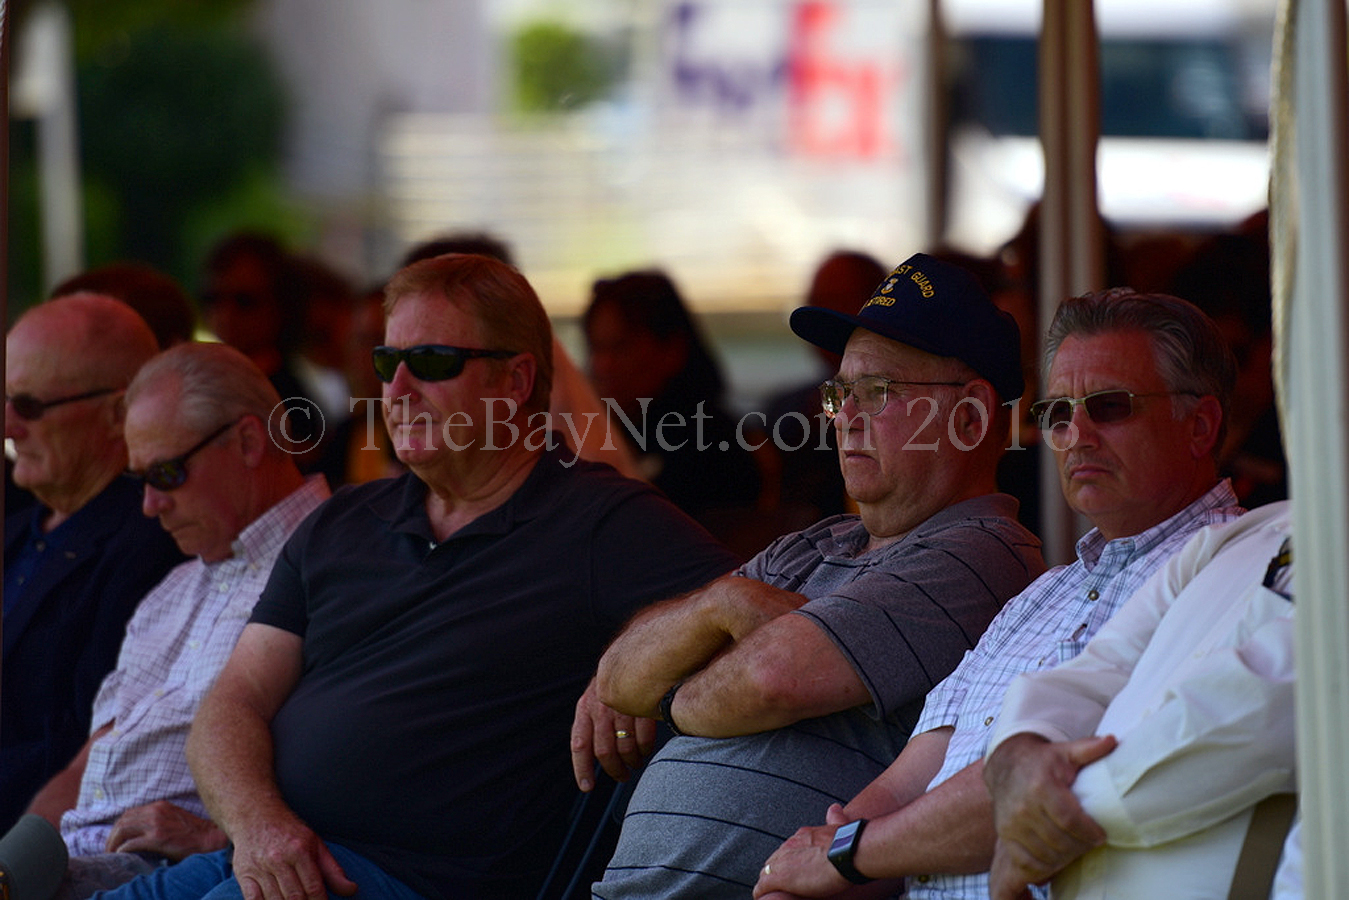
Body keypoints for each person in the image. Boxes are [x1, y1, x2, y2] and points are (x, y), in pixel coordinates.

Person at [96, 253, 740, 900]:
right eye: (387, 362)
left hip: (407, 883)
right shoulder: (340, 520)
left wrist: (634, 657)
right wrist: (256, 826)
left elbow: (758, 608)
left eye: (431, 363)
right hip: (269, 853)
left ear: (515, 380)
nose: (397, 391)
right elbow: (232, 704)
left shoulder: (602, 520)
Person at [582, 252, 1047, 899]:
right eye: (839, 392)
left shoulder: (984, 552)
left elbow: (771, 679)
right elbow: (617, 675)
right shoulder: (810, 545)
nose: (843, 415)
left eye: (876, 391)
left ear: (968, 418)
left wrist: (664, 697)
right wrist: (724, 602)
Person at [754, 287, 1242, 900]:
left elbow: (1049, 783)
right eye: (1057, 413)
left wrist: (845, 856)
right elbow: (911, 777)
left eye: (1109, 406)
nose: (1076, 434)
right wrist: (808, 874)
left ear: (1200, 425)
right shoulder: (1043, 595)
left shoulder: (1238, 573)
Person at [15, 342, 331, 899]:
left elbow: (358, 753)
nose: (149, 505)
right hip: (73, 864)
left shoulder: (339, 556)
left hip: (179, 874)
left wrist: (219, 836)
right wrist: (12, 864)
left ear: (249, 441)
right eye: (139, 480)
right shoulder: (173, 588)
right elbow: (91, 764)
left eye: (165, 474)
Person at [984, 500, 1295, 899]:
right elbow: (1097, 665)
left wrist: (1039, 811)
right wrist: (1019, 756)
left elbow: (1252, 717)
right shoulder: (1239, 536)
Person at [2, 295, 187, 832]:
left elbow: (85, 747)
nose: (8, 426)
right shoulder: (18, 530)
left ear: (118, 413)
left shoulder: (151, 545)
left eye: (29, 406)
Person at [583, 268, 763, 537]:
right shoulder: (593, 437)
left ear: (672, 349)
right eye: (596, 348)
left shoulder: (713, 445)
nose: (602, 366)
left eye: (620, 348)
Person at [762, 250, 887, 525]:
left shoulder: (902, 410)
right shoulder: (783, 410)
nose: (824, 315)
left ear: (876, 306)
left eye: (837, 301)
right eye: (815, 302)